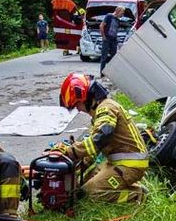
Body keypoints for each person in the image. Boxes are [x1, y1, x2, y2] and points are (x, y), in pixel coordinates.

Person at [56, 72, 148, 203]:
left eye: (77, 105)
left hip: (130, 165)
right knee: (82, 186)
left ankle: (137, 195)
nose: (79, 109)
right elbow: (95, 148)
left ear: (87, 98)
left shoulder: (106, 109)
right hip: (117, 163)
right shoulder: (101, 111)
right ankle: (124, 187)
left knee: (90, 194)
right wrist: (75, 165)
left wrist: (70, 152)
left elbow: (99, 139)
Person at [98, 6, 124, 75]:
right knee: (104, 56)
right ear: (118, 11)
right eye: (122, 12)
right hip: (107, 39)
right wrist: (103, 37)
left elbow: (115, 31)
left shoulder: (118, 20)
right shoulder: (109, 16)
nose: (122, 14)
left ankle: (112, 73)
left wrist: (117, 41)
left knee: (114, 57)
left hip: (113, 40)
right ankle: (102, 73)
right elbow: (101, 26)